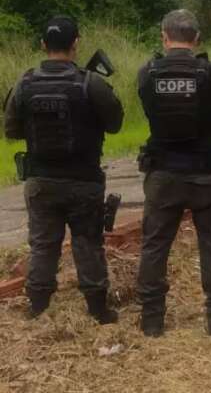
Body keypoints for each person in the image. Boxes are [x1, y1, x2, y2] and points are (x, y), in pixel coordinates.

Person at [3, 16, 123, 324]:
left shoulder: (25, 82)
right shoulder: (90, 82)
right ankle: (98, 311)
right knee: (88, 243)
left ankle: (38, 308)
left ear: (43, 45)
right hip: (83, 179)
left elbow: (12, 130)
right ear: (76, 43)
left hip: (41, 180)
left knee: (43, 245)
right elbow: (116, 123)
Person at [136, 10, 211, 338]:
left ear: (164, 36)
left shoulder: (147, 73)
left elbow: (148, 107)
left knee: (154, 246)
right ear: (197, 39)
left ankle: (152, 320)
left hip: (163, 174)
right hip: (205, 173)